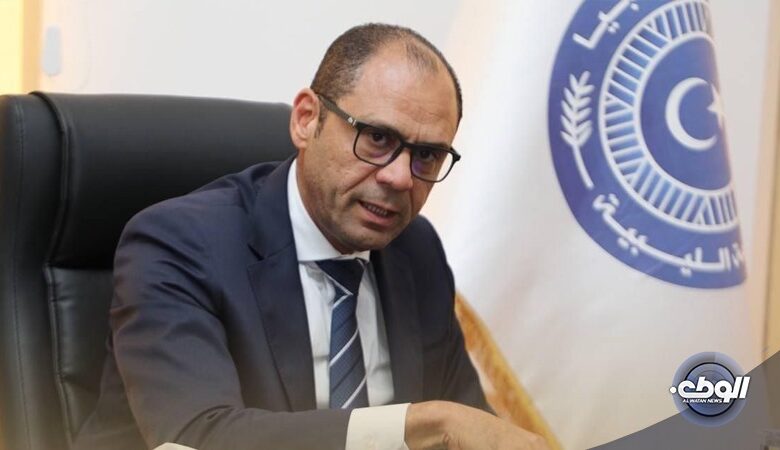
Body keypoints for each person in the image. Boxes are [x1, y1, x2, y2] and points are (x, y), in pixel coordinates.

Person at [74, 24, 549, 450]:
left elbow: (469, 425)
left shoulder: (415, 248)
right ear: (306, 120)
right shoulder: (178, 244)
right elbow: (200, 436)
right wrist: (419, 425)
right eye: (378, 138)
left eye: (426, 155)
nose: (401, 178)